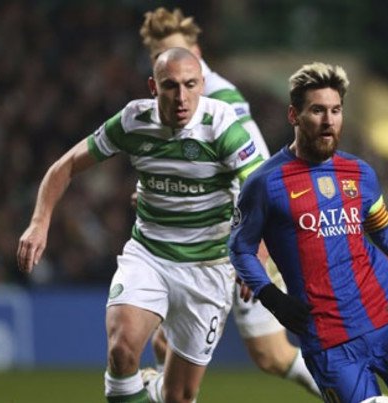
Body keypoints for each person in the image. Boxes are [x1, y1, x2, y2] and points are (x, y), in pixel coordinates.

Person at [17, 47, 264, 403]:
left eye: (190, 85)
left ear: (201, 85)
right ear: (153, 87)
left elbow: (260, 190)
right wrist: (39, 222)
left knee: (179, 397)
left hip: (207, 268)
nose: (181, 97)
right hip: (149, 256)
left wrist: (254, 251)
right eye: (170, 86)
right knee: (121, 351)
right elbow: (66, 164)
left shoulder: (221, 124)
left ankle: (153, 388)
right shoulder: (133, 120)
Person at [229, 61, 388, 402]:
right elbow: (240, 248)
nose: (328, 120)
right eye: (317, 110)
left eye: (335, 110)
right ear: (294, 115)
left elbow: (384, 230)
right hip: (329, 337)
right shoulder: (264, 183)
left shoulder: (360, 172)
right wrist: (272, 297)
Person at [139, 7, 320, 397]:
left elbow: (257, 172)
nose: (168, 61)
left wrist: (256, 244)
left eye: (175, 52)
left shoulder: (220, 100)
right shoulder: (175, 100)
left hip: (238, 236)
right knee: (271, 355)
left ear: (196, 52)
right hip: (216, 236)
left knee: (169, 344)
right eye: (158, 56)